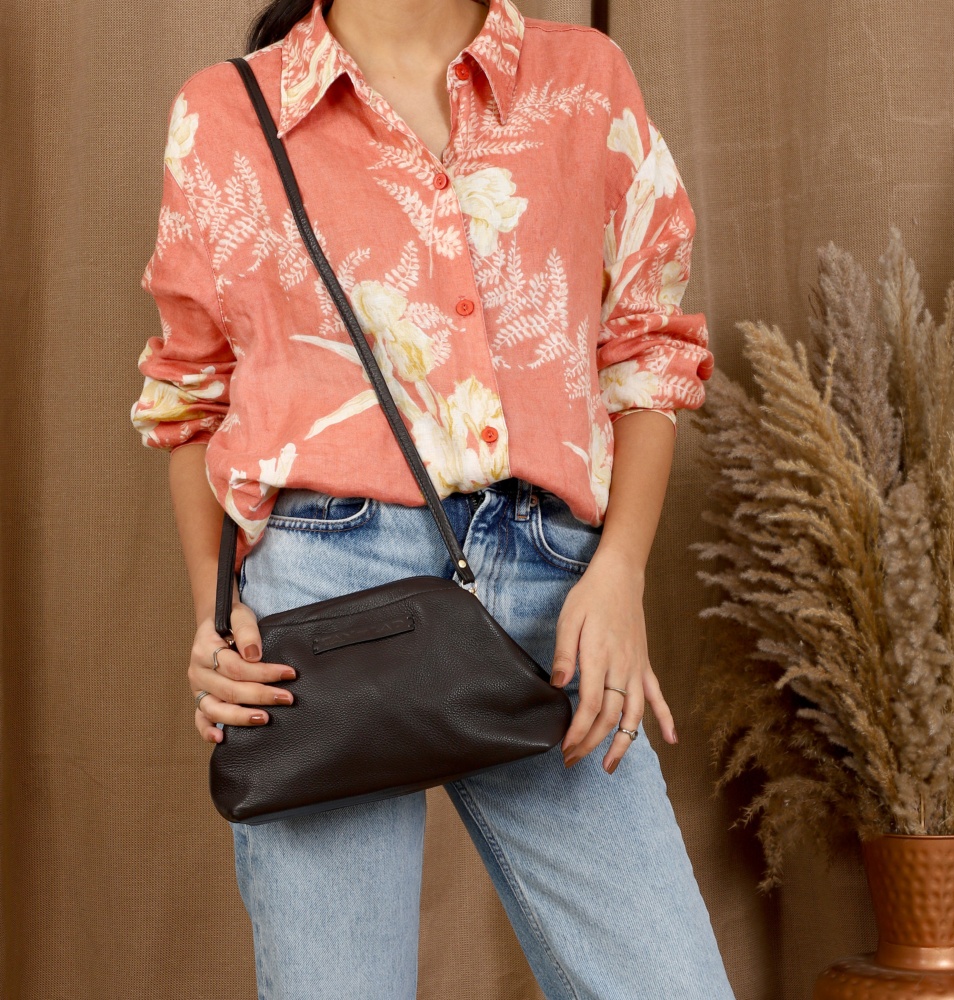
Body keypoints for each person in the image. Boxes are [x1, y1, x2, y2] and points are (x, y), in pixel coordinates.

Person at [129, 0, 732, 997]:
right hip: (320, 598)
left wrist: (621, 567)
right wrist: (215, 613)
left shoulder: (583, 79)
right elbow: (191, 398)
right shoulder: (228, 113)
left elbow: (645, 354)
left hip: (556, 592)